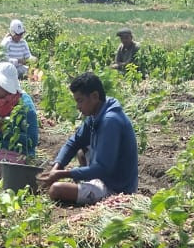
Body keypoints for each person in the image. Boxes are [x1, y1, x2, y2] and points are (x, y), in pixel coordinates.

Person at [38, 72, 138, 205]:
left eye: (80, 101)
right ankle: (89, 186)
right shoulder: (96, 113)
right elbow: (73, 142)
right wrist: (56, 167)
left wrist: (62, 174)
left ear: (95, 96)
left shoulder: (110, 121)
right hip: (104, 175)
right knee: (81, 151)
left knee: (56, 190)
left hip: (116, 187)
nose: (78, 107)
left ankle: (96, 192)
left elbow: (102, 169)